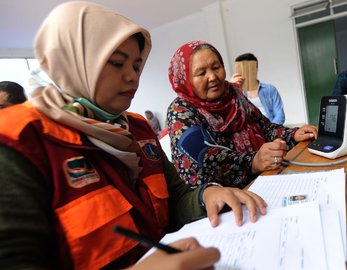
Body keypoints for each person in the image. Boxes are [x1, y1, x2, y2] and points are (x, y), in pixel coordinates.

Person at [0, 2, 266, 269]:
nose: (132, 78)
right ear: (71, 61)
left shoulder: (137, 130)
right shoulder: (19, 141)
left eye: (137, 66)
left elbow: (175, 199)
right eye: (116, 63)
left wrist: (205, 196)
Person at [167, 41, 318, 189]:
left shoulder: (234, 94)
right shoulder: (181, 110)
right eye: (201, 73)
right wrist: (253, 161)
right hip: (226, 200)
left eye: (216, 67)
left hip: (267, 179)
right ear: (184, 79)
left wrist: (293, 134)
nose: (212, 76)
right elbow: (204, 158)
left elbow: (265, 128)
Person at [230, 53, 286, 124]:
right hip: (248, 132)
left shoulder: (270, 89)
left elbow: (280, 115)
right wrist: (232, 86)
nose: (246, 73)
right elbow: (230, 117)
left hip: (270, 127)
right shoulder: (235, 92)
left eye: (249, 69)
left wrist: (271, 131)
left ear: (256, 69)